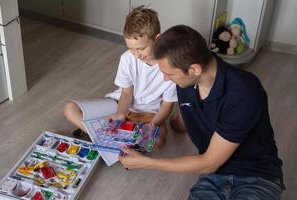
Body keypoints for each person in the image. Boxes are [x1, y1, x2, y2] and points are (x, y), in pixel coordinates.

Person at [119, 25, 284, 200]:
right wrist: (160, 127)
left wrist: (147, 163)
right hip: (213, 178)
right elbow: (190, 117)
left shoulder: (244, 92)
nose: (165, 79)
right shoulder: (186, 84)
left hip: (256, 177)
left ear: (194, 69)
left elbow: (209, 163)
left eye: (169, 74)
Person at [63, 6, 177, 149]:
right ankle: (110, 138)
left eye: (141, 48)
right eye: (131, 48)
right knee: (70, 108)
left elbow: (167, 105)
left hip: (149, 114)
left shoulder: (171, 67)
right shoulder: (127, 59)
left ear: (157, 39)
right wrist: (120, 113)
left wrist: (152, 124)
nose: (136, 54)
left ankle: (112, 138)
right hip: (119, 104)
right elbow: (126, 93)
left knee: (158, 142)